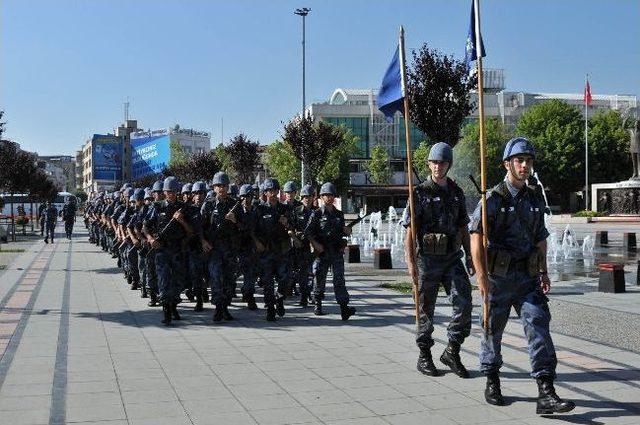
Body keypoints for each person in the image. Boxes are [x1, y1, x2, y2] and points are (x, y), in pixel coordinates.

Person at [469, 137, 575, 414]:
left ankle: (546, 391)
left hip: (528, 277)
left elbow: (541, 237)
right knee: (493, 331)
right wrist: (481, 280)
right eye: (519, 160)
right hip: (498, 279)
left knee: (539, 326)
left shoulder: (534, 198)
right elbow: (476, 240)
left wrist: (544, 270)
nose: (525, 165)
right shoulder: (491, 199)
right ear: (508, 164)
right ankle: (492, 379)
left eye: (528, 161)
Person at [403, 142, 474, 378]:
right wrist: (411, 264)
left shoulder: (456, 193)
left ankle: (452, 350)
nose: (437, 166)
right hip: (428, 260)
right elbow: (410, 232)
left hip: (452, 258)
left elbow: (464, 227)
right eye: (434, 162)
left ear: (448, 165)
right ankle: (424, 355)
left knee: (464, 303)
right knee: (425, 310)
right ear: (429, 164)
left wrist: (471, 257)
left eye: (442, 162)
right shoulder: (419, 193)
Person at [143, 177, 192, 325]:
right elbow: (145, 226)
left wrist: (182, 220)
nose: (170, 194)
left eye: (173, 191)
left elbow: (191, 232)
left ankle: (173, 305)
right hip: (162, 249)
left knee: (178, 281)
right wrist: (150, 239)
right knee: (164, 280)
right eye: (168, 191)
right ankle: (166, 310)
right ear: (164, 192)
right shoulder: (157, 207)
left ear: (177, 192)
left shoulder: (183, 208)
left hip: (177, 249)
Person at [304, 182, 356, 320]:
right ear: (321, 197)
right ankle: (318, 305)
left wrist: (347, 231)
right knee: (319, 279)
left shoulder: (339, 214)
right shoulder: (317, 214)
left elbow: (342, 232)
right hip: (322, 252)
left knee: (339, 280)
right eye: (326, 195)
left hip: (336, 252)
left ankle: (344, 308)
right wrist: (315, 245)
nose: (329, 197)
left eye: (331, 195)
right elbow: (308, 232)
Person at [200, 171, 239, 322]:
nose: (221, 188)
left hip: (229, 248)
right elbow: (200, 227)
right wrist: (203, 242)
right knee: (216, 278)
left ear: (228, 187)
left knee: (230, 279)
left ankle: (225, 307)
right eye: (218, 185)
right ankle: (218, 308)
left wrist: (235, 220)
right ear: (214, 187)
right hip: (214, 248)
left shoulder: (234, 205)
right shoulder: (208, 205)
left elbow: (245, 228)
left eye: (223, 185)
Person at [253, 178, 293, 321]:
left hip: (282, 251)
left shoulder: (285, 209)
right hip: (267, 251)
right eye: (269, 190)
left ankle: (280, 299)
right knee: (268, 282)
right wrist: (257, 243)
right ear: (265, 192)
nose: (272, 193)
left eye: (275, 190)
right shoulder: (260, 209)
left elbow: (294, 227)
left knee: (285, 279)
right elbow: (252, 230)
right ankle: (270, 308)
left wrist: (287, 224)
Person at [290, 184, 316, 307]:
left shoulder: (317, 212)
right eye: (304, 196)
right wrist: (295, 239)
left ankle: (313, 295)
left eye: (309, 196)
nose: (307, 198)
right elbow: (290, 228)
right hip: (300, 246)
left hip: (315, 246)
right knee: (302, 273)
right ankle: (304, 296)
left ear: (313, 197)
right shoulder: (296, 211)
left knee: (315, 272)